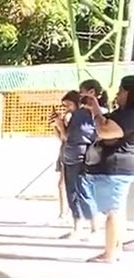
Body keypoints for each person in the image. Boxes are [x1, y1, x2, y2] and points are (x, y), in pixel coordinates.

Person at [81, 75, 134, 263]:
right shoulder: (123, 113)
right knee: (115, 210)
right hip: (115, 167)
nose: (117, 95)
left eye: (121, 91)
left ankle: (110, 253)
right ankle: (115, 249)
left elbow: (105, 130)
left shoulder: (129, 115)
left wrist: (96, 112)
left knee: (113, 211)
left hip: (116, 168)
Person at [53, 90, 100, 241]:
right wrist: (58, 126)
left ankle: (93, 228)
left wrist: (61, 126)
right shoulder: (76, 116)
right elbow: (63, 138)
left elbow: (69, 137)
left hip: (79, 158)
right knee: (73, 193)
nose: (67, 109)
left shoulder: (81, 116)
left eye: (69, 105)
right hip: (71, 157)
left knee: (82, 192)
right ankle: (79, 227)